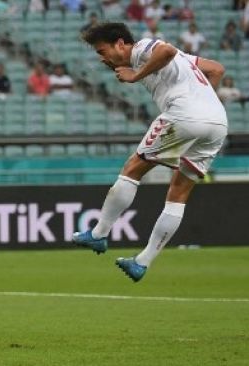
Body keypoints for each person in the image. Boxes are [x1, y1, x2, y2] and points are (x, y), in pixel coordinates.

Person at [75, 23, 227, 282]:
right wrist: (202, 102)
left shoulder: (144, 46)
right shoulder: (183, 60)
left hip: (184, 115)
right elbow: (216, 69)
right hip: (217, 124)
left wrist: (135, 75)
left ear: (121, 43)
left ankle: (99, 234)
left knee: (133, 168)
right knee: (178, 193)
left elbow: (165, 50)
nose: (102, 58)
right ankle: (141, 262)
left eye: (102, 51)